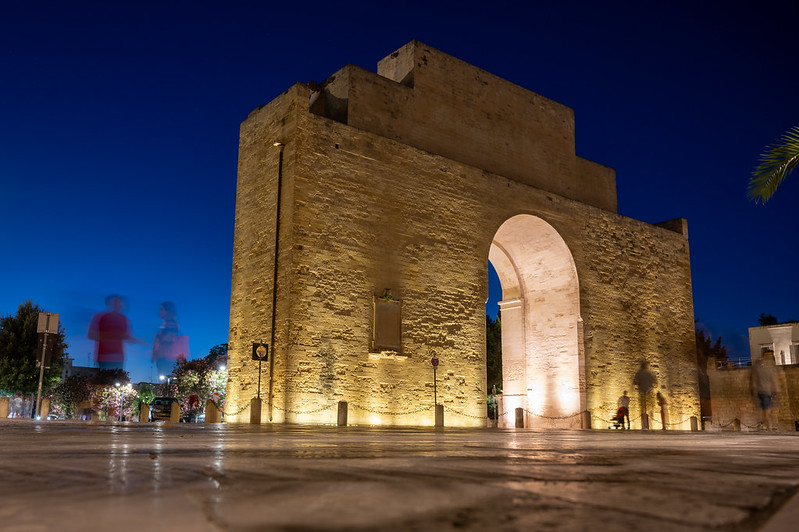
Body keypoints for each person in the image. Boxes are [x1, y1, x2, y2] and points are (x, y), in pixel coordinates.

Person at [88, 295, 137, 371]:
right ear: (109, 303)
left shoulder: (123, 318)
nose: (119, 304)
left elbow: (127, 336)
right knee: (106, 381)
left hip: (119, 358)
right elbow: (91, 335)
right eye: (116, 302)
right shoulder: (99, 316)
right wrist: (113, 335)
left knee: (118, 381)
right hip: (104, 357)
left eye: (119, 302)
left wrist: (132, 339)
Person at [151, 302, 187, 378]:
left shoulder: (171, 324)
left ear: (168, 311)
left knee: (167, 380)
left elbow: (169, 339)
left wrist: (158, 338)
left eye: (162, 309)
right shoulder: (168, 324)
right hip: (166, 358)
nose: (159, 311)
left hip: (167, 358)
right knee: (167, 380)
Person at [750, 354, 779, 431]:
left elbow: (753, 381)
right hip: (768, 391)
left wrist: (752, 390)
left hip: (761, 391)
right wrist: (775, 390)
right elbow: (773, 381)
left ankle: (765, 424)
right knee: (768, 407)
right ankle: (769, 424)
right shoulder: (768, 371)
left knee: (764, 408)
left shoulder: (756, 371)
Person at [633, 360, 656, 427]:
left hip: (642, 392)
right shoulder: (651, 373)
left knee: (643, 409)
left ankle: (644, 425)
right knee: (650, 409)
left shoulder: (639, 373)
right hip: (650, 392)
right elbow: (655, 383)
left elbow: (635, 382)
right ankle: (651, 424)